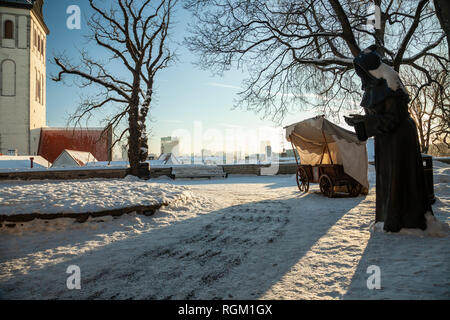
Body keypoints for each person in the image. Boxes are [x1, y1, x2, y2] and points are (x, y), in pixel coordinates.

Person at [345, 45, 433, 232]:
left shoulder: (389, 84)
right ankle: (388, 217)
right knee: (388, 178)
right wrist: (361, 122)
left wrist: (364, 123)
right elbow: (379, 117)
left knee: (399, 178)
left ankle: (402, 221)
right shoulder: (373, 87)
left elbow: (392, 119)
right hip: (387, 140)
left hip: (399, 139)